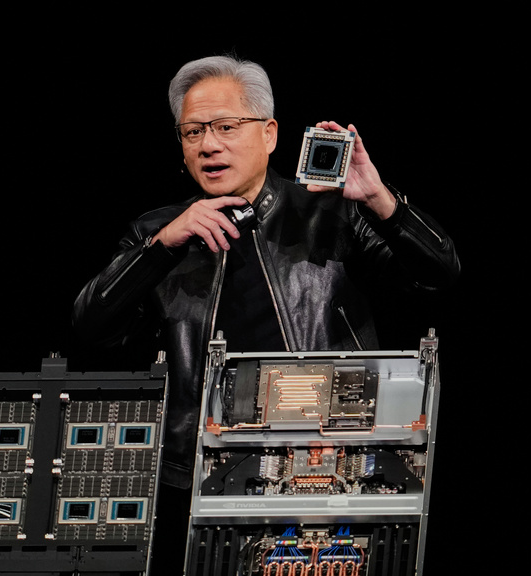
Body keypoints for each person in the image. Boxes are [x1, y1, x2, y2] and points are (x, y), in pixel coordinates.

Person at [72, 55, 460, 490]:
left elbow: (439, 272)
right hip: (199, 477)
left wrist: (380, 201)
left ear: (269, 133)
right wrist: (161, 247)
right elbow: (92, 327)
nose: (208, 145)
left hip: (328, 462)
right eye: (193, 132)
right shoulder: (157, 233)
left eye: (226, 126)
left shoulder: (328, 211)